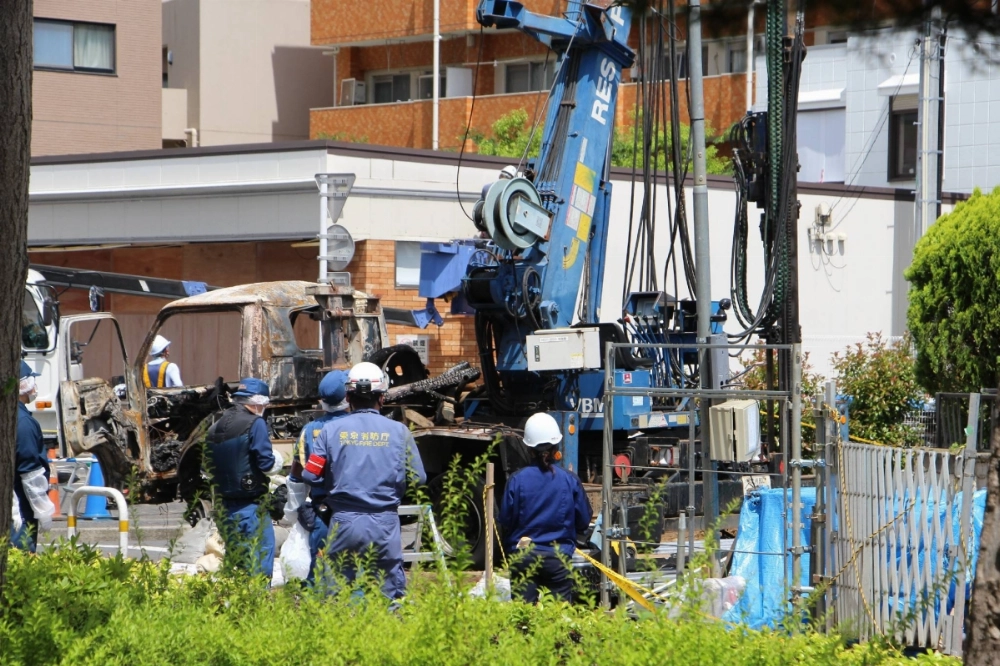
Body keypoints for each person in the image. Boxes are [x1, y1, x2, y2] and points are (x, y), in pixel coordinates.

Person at [303, 361, 426, 600]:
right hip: (385, 524)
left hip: (343, 522)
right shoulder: (400, 432)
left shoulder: (329, 431)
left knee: (335, 595)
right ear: (381, 398)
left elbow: (310, 474)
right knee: (387, 595)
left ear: (348, 397)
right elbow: (418, 478)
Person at [499, 412, 593, 604]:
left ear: (529, 449)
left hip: (523, 556)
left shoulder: (516, 480)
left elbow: (505, 520)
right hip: (558, 558)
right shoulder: (569, 480)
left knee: (523, 617)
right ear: (556, 447)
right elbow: (583, 521)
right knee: (557, 619)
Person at [204, 377, 283, 578]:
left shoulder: (215, 426)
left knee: (237, 565)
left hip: (224, 509)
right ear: (257, 402)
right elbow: (266, 464)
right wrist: (278, 461)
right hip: (251, 509)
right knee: (259, 565)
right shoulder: (254, 423)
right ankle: (259, 607)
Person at [287, 369, 350, 582]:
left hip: (322, 510)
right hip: (354, 509)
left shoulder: (310, 429)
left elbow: (296, 473)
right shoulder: (356, 426)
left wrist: (293, 510)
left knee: (321, 570)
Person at [12, 360, 55, 552]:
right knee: (19, 564)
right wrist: (43, 511)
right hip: (20, 510)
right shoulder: (23, 423)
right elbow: (30, 472)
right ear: (24, 385)